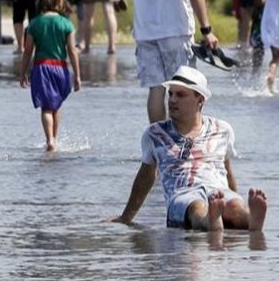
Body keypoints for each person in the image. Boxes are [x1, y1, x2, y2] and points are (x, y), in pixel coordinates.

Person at [110, 66, 268, 232]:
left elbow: (227, 171)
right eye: (170, 94)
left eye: (181, 95)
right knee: (196, 207)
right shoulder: (155, 134)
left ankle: (251, 220)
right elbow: (145, 177)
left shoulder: (222, 129)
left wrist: (232, 196)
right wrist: (126, 217)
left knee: (234, 206)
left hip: (218, 189)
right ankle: (211, 220)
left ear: (200, 100)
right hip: (182, 194)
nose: (172, 100)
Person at [19, 0, 82, 152]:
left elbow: (27, 51)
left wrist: (23, 72)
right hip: (60, 68)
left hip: (41, 67)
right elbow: (72, 51)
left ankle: (50, 140)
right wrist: (77, 75)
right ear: (59, 1)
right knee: (56, 106)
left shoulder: (34, 24)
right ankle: (54, 139)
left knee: (46, 108)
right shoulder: (66, 24)